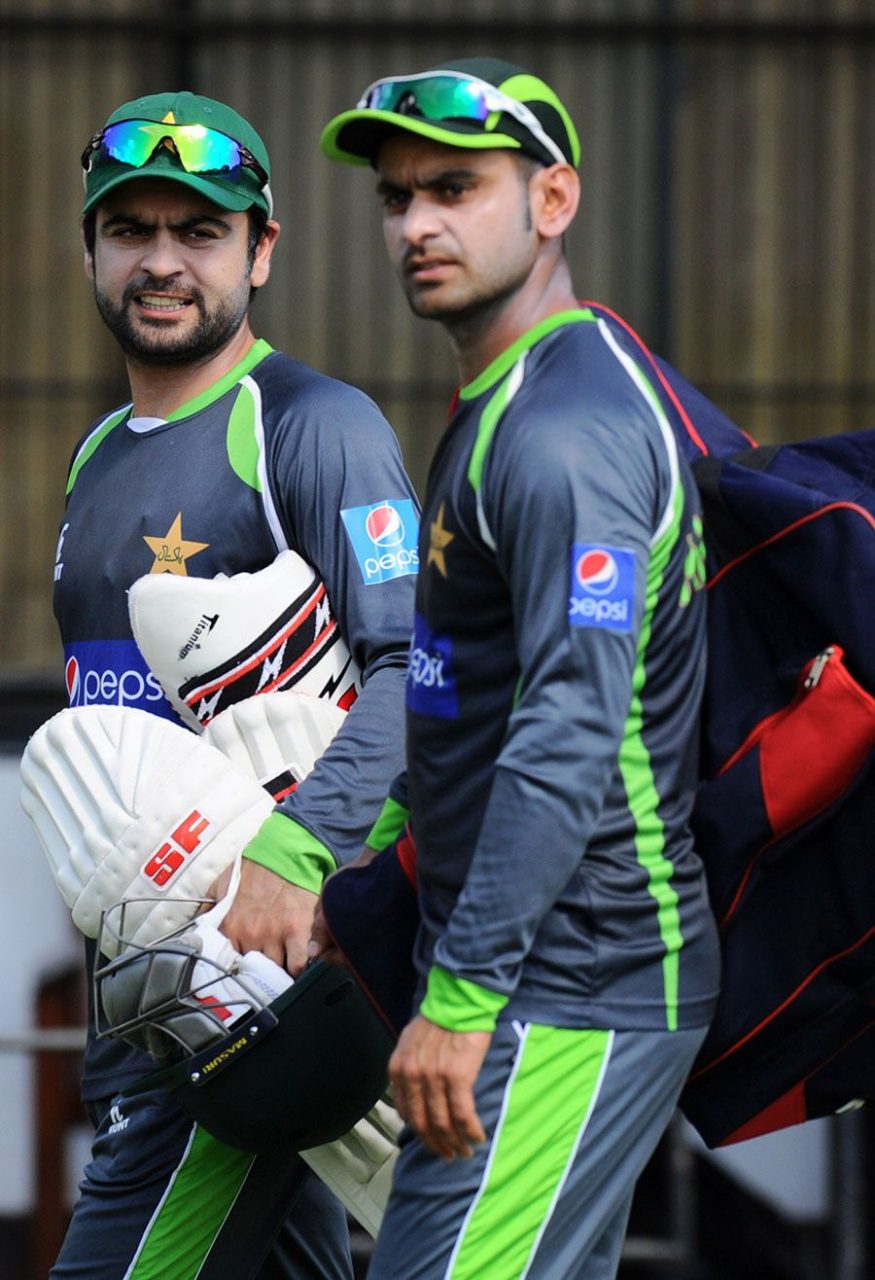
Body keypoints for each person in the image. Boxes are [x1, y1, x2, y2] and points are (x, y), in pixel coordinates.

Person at [315, 58, 722, 1279]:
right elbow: (454, 695)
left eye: (454, 187)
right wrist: (356, 881)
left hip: (571, 980)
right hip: (523, 976)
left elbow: (563, 730)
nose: (417, 224)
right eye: (396, 198)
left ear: (554, 202)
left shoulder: (562, 433)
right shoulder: (505, 396)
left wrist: (459, 996)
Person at [51, 91, 418, 1280]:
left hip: (262, 982)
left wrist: (294, 860)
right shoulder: (98, 453)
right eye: (133, 228)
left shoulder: (314, 426)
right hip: (140, 983)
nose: (162, 260)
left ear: (260, 251)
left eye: (200, 231)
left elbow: (418, 677)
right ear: (92, 247)